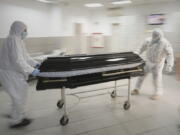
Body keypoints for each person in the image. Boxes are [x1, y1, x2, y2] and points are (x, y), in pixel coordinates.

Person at [0, 21, 40, 128]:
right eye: (24, 30)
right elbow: (17, 61)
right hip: (10, 73)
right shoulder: (13, 39)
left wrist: (35, 63)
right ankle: (16, 121)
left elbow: (25, 57)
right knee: (19, 96)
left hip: (14, 72)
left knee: (19, 95)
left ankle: (17, 115)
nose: (26, 32)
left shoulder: (19, 41)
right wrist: (32, 71)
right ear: (18, 29)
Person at [131, 29, 174, 100]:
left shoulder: (165, 43)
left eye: (157, 36)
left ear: (160, 36)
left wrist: (169, 65)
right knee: (141, 75)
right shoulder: (148, 40)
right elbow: (141, 48)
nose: (155, 37)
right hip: (148, 61)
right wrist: (136, 53)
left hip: (158, 63)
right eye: (154, 36)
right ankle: (136, 89)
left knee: (156, 79)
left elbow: (170, 54)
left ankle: (158, 93)